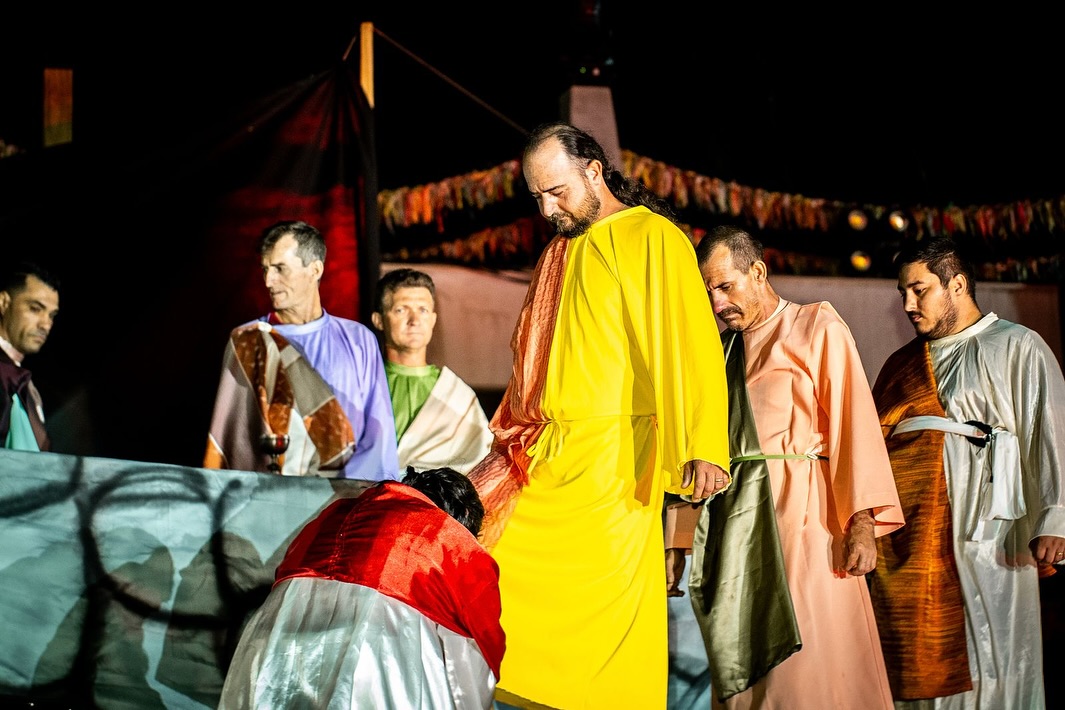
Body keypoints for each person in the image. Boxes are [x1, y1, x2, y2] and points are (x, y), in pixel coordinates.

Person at [466, 121, 730, 709]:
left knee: (605, 624)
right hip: (544, 455)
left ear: (593, 171)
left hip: (614, 466)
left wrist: (702, 443)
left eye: (556, 191)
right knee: (490, 569)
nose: (546, 209)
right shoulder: (558, 251)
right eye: (536, 196)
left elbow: (688, 343)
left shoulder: (653, 236)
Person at [691, 225, 904, 708]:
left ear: (758, 271)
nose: (717, 302)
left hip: (806, 522)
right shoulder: (720, 352)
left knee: (807, 663)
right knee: (747, 666)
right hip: (735, 527)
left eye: (725, 286)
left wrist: (863, 523)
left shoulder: (815, 326)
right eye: (708, 291)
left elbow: (853, 423)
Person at [868, 236, 1065, 709]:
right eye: (902, 293)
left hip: (989, 523)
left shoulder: (1016, 344)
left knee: (991, 646)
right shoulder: (900, 365)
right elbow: (872, 448)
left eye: (919, 290)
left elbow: (1049, 429)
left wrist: (1055, 518)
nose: (908, 304)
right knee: (917, 650)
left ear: (956, 284)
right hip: (912, 534)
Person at [217, 465, 505, 710]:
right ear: (462, 520)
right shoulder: (451, 542)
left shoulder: (330, 516)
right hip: (373, 675)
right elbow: (478, 655)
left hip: (280, 662)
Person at [204, 220, 399, 480]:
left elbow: (379, 435)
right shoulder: (247, 341)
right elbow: (232, 438)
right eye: (265, 269)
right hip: (272, 494)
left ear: (315, 269)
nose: (269, 281)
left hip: (347, 495)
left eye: (280, 269)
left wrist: (344, 492)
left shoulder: (358, 340)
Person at [371, 267, 493, 475]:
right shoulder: (363, 384)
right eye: (401, 310)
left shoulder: (457, 395)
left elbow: (482, 465)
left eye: (423, 310)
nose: (414, 320)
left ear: (433, 320)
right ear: (379, 320)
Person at [0, 260, 60, 452]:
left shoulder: (21, 380)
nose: (46, 325)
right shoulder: (7, 375)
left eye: (51, 315)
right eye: (35, 308)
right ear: (3, 303)